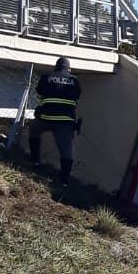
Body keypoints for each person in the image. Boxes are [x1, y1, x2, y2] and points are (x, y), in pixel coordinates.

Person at [29, 57, 81, 185]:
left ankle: (36, 161)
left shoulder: (46, 77)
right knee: (66, 151)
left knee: (33, 130)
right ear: (69, 69)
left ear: (56, 67)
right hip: (65, 122)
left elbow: (39, 92)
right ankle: (64, 181)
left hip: (46, 118)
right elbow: (77, 97)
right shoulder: (75, 80)